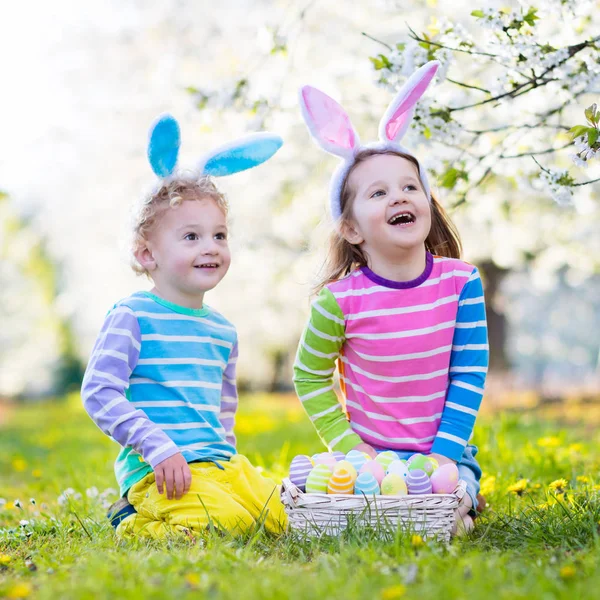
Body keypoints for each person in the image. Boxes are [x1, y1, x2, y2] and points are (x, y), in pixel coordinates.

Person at [293, 62, 488, 533]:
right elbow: (308, 376)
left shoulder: (461, 283)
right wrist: (348, 446)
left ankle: (454, 505)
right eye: (378, 192)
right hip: (369, 460)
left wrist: (444, 452)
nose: (400, 197)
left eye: (409, 187)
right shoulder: (338, 302)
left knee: (452, 498)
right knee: (341, 493)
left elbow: (468, 372)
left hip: (444, 453)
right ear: (350, 227)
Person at [81, 115, 287, 538]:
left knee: (282, 518)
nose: (210, 247)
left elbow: (223, 408)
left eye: (219, 235)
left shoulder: (222, 331)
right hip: (160, 468)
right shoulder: (133, 316)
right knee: (226, 525)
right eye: (191, 237)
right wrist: (155, 446)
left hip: (218, 465)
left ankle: (223, 504)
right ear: (146, 254)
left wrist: (227, 459)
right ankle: (134, 520)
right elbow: (98, 392)